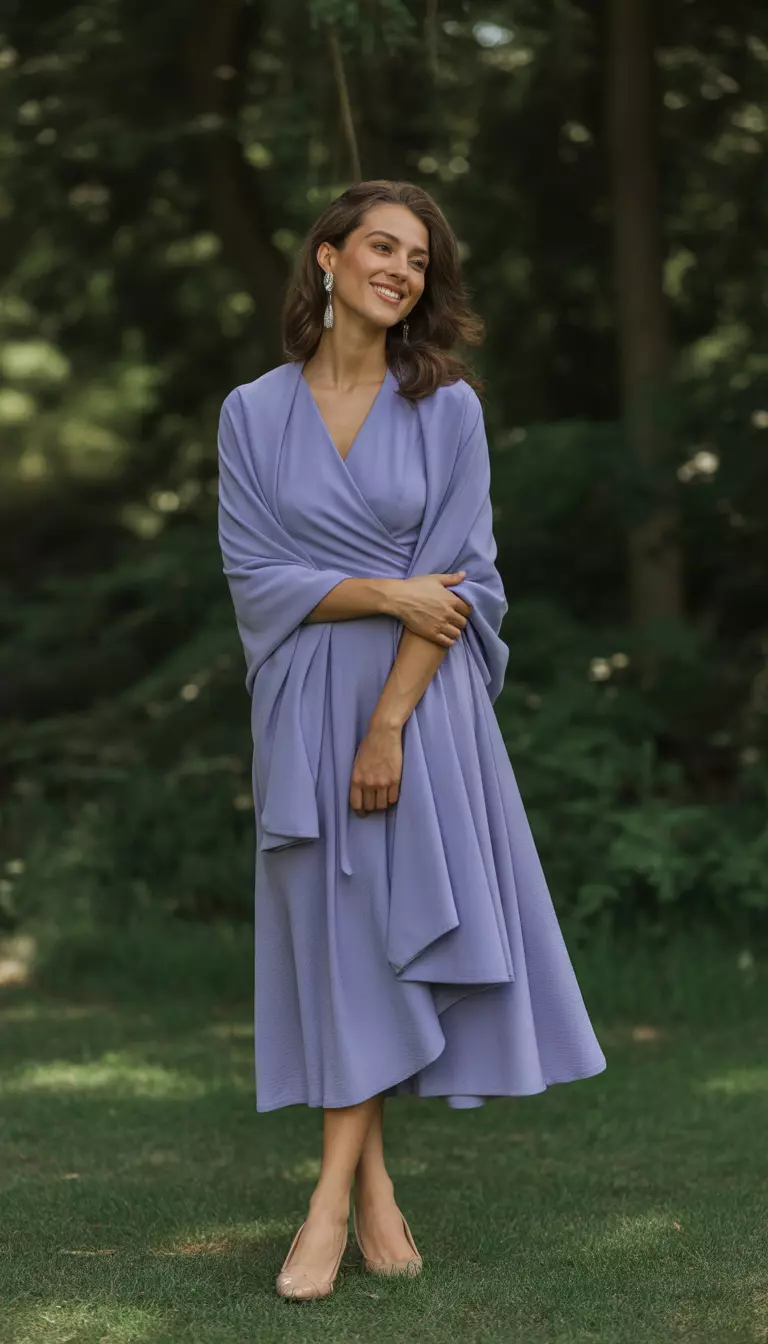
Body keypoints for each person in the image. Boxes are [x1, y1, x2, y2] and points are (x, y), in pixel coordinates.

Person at [216, 179, 607, 1302]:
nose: (402, 269)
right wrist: (389, 591)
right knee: (339, 944)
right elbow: (255, 578)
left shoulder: (446, 408)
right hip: (298, 704)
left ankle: (328, 1206)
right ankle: (375, 1191)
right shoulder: (252, 411)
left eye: (420, 259)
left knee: (384, 933)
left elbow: (463, 586)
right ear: (327, 261)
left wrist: (388, 720)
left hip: (414, 712)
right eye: (381, 247)